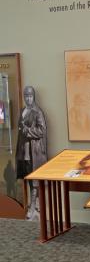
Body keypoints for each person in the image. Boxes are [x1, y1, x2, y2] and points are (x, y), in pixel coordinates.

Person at [15, 86, 48, 221]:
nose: (28, 99)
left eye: (30, 96)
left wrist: (28, 131)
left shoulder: (37, 112)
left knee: (34, 179)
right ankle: (34, 205)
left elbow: (42, 131)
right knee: (28, 177)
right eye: (26, 96)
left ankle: (33, 206)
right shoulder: (23, 110)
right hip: (24, 150)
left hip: (33, 150)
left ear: (33, 97)